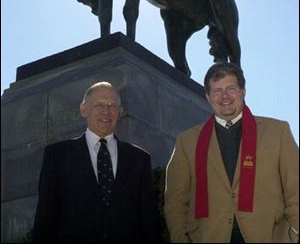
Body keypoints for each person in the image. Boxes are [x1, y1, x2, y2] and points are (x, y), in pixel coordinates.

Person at [164, 62, 299, 243]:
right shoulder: (186, 142)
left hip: (269, 235)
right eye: (217, 90)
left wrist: (294, 234)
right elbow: (176, 200)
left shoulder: (278, 131)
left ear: (243, 92)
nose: (224, 96)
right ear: (208, 96)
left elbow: (295, 189)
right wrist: (181, 238)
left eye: (231, 88)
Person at [32, 82, 158, 243]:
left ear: (120, 112)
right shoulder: (57, 155)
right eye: (99, 105)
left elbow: (149, 222)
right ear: (84, 109)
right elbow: (45, 216)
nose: (106, 111)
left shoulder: (140, 159)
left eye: (112, 105)